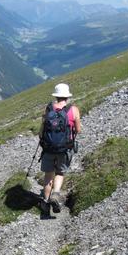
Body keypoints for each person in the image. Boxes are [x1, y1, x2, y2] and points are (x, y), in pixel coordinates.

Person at [39, 83, 81, 218]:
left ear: (56, 96)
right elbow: (78, 130)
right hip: (64, 148)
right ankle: (56, 194)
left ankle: (45, 203)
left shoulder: (49, 108)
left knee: (48, 176)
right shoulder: (73, 110)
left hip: (49, 148)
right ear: (67, 96)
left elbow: (42, 129)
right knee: (60, 172)